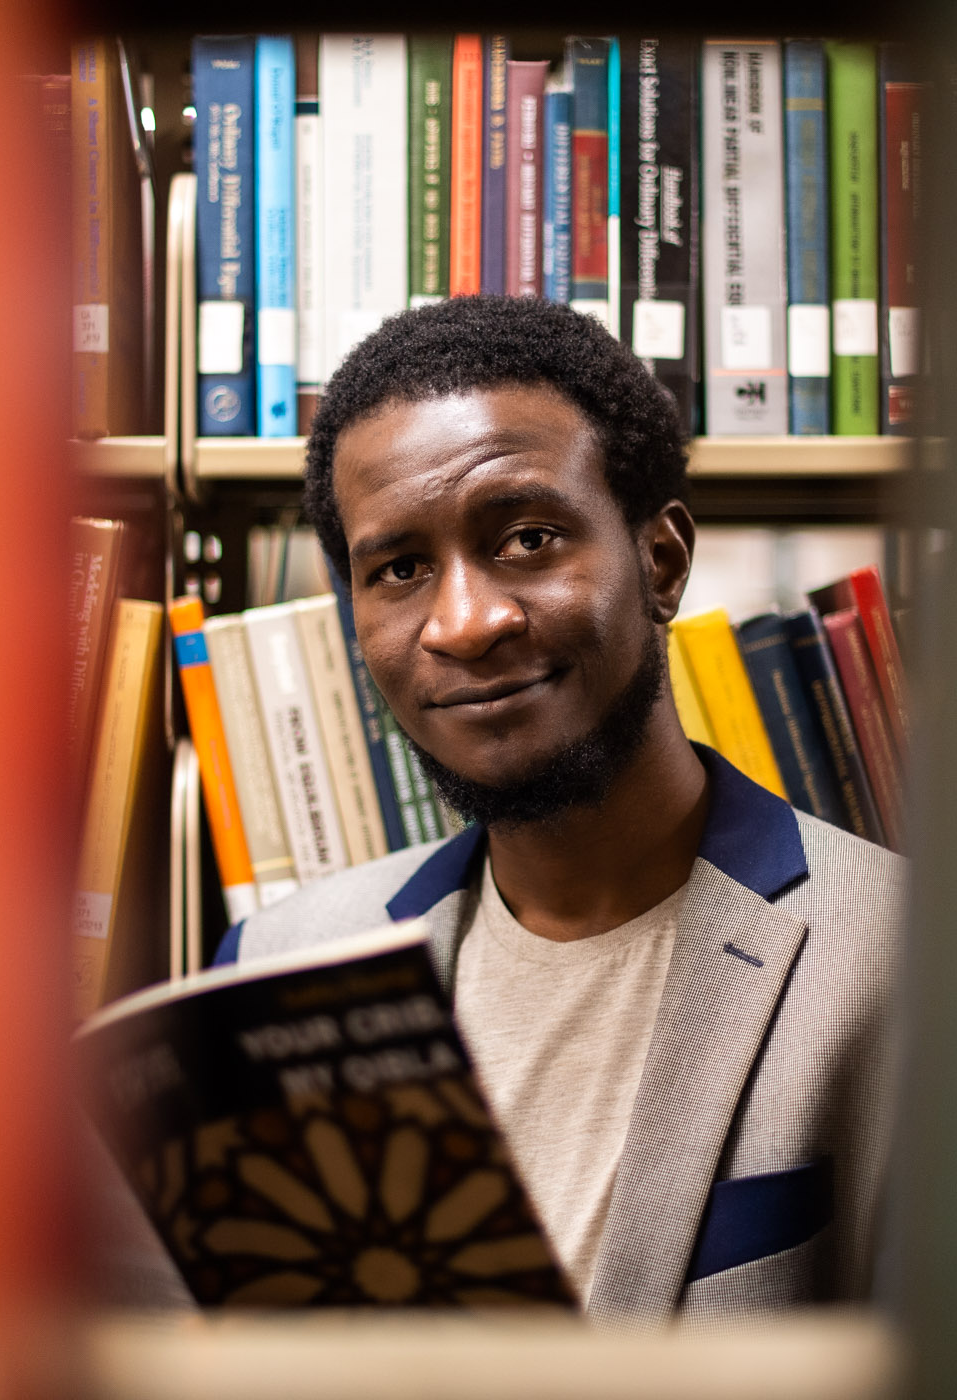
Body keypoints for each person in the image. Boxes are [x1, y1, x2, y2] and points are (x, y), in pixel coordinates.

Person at [193, 297, 905, 1321]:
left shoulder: (911, 962)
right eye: (398, 569)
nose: (466, 622)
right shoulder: (275, 971)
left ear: (660, 561)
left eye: (528, 538)